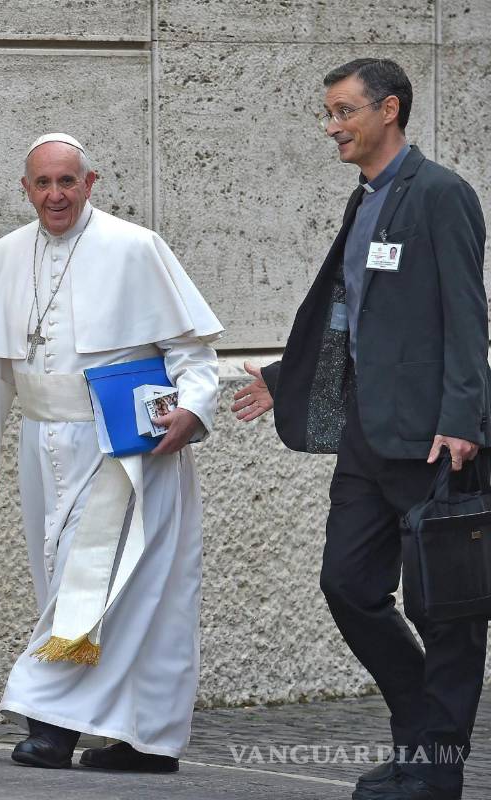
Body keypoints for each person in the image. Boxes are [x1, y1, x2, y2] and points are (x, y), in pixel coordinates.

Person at [232, 58, 489, 800]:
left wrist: (461, 419)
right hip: (366, 441)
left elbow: (467, 316)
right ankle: (417, 730)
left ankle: (434, 773)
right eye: (329, 113)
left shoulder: (439, 195)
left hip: (432, 438)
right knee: (347, 584)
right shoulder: (366, 199)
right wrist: (285, 378)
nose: (332, 127)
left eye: (344, 112)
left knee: (446, 613)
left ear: (390, 110)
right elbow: (353, 314)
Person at [0, 132, 222, 771]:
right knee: (66, 580)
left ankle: (53, 728)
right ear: (25, 189)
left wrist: (194, 409)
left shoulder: (135, 248)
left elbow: (193, 355)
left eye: (67, 182)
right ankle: (140, 739)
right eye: (42, 184)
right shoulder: (5, 254)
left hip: (124, 451)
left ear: (90, 182)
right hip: (41, 443)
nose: (55, 196)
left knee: (105, 582)